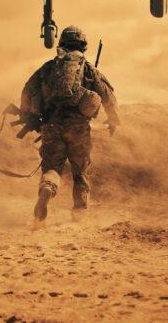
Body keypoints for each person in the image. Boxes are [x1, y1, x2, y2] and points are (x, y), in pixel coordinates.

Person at [19, 25, 120, 227]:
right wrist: (113, 120)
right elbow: (107, 95)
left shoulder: (48, 68)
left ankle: (47, 190)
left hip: (50, 125)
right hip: (78, 128)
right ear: (83, 46)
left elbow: (27, 90)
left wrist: (26, 116)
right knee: (80, 171)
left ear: (62, 44)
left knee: (52, 166)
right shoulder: (89, 69)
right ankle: (80, 216)